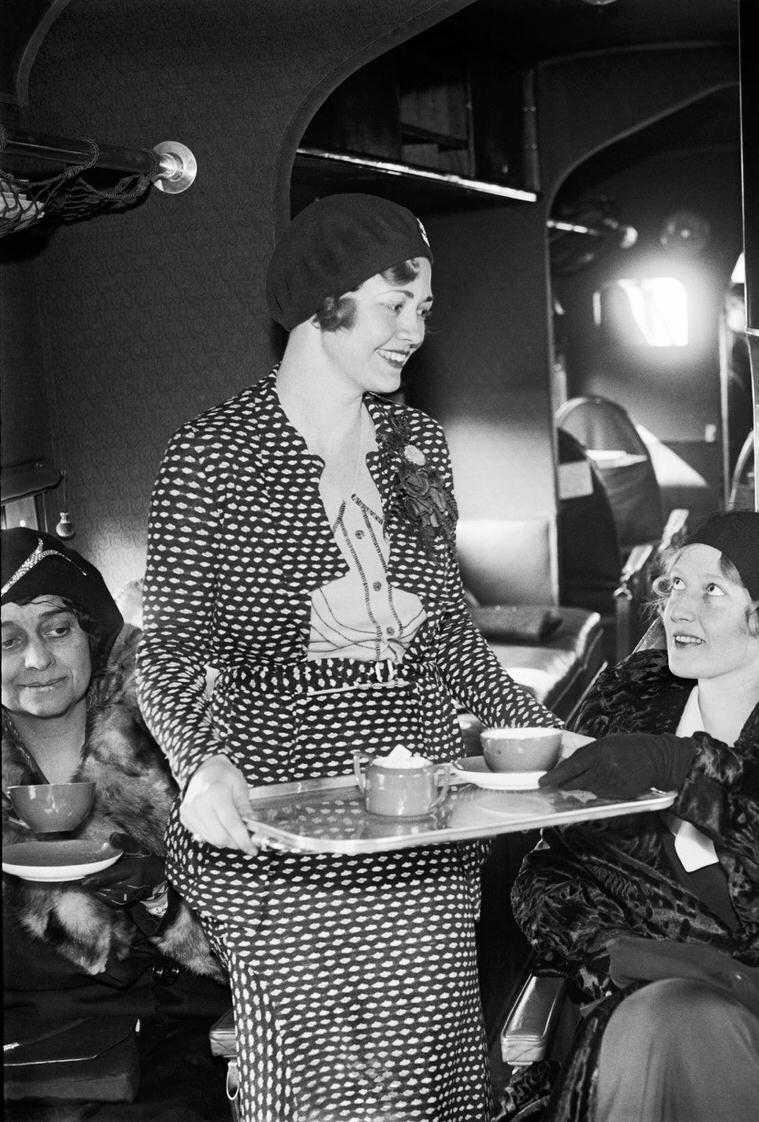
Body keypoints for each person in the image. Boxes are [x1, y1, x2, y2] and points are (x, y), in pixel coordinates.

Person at [137, 193, 565, 1122]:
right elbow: (164, 649)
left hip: (417, 811)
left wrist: (553, 739)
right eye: (393, 304)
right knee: (326, 1086)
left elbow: (448, 638)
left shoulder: (419, 446)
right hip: (276, 818)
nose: (415, 328)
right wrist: (200, 763)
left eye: (424, 308)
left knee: (426, 1067)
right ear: (321, 301)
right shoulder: (212, 454)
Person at [510, 511, 759, 1122]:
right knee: (664, 1018)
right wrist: (622, 953)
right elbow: (546, 874)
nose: (678, 610)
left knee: (677, 1024)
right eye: (674, 586)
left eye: (711, 589)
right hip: (636, 996)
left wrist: (688, 769)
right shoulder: (620, 710)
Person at [3, 528, 230, 1120]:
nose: (36, 660)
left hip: (168, 1032)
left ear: (91, 631)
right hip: (24, 1046)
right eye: (6, 640)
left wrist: (154, 897)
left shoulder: (181, 740)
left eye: (57, 629)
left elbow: (266, 931)